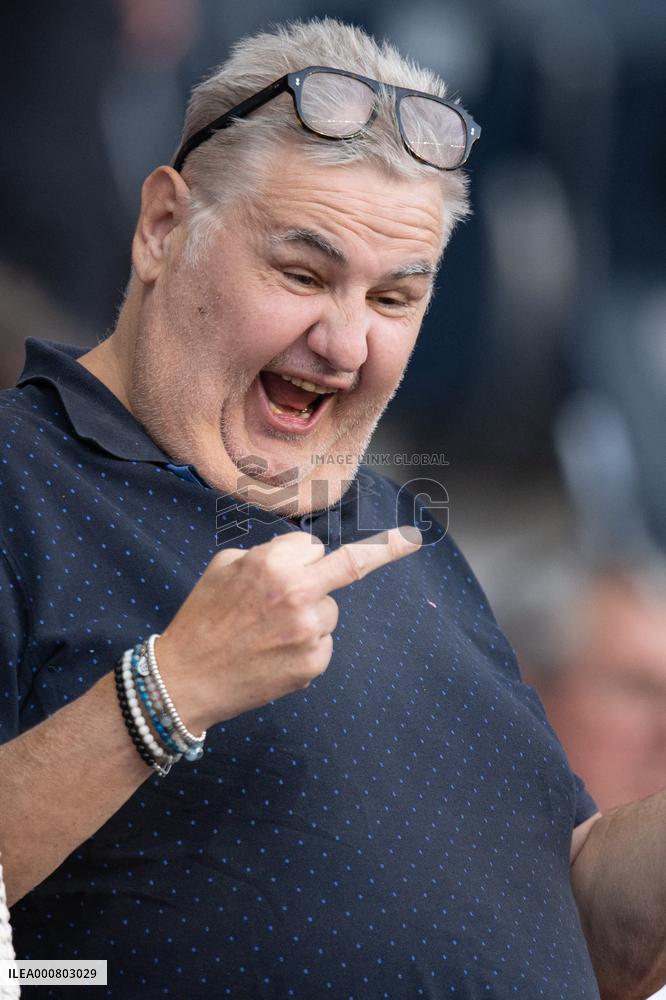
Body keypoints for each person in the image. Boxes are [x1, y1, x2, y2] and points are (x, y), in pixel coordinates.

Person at [0, 17, 663, 1000]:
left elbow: (574, 929)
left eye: (395, 299)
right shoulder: (20, 479)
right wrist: (166, 693)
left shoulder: (403, 529)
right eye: (303, 274)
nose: (346, 344)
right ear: (163, 228)